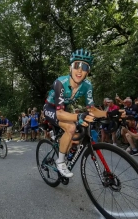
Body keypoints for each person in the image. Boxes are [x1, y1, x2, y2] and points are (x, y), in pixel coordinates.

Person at [44, 49, 107, 178]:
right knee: (71, 127)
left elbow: (92, 109)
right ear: (70, 68)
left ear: (87, 72)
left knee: (78, 133)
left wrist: (109, 114)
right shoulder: (60, 82)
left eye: (84, 67)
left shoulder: (87, 85)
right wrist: (79, 116)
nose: (79, 70)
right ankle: (60, 162)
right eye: (76, 65)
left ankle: (63, 148)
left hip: (64, 109)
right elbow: (60, 113)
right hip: (50, 108)